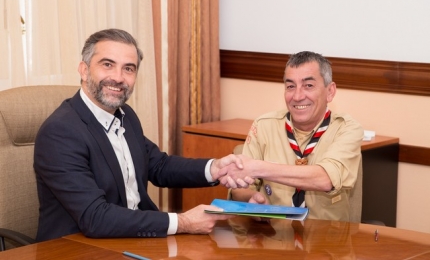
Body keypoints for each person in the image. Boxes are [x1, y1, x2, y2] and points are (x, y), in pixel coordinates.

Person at [34, 28, 250, 242]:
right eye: (107, 65)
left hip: (132, 239)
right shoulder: (60, 132)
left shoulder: (125, 115)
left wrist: (215, 169)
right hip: (76, 247)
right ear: (83, 70)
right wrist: (182, 222)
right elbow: (95, 218)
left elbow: (159, 166)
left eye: (128, 68)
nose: (118, 78)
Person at [224, 51, 363, 222]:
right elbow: (239, 188)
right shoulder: (264, 126)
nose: (297, 96)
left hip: (327, 243)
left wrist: (257, 167)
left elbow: (326, 179)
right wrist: (251, 199)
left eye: (308, 86)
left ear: (330, 91)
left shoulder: (347, 129)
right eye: (290, 86)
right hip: (273, 238)